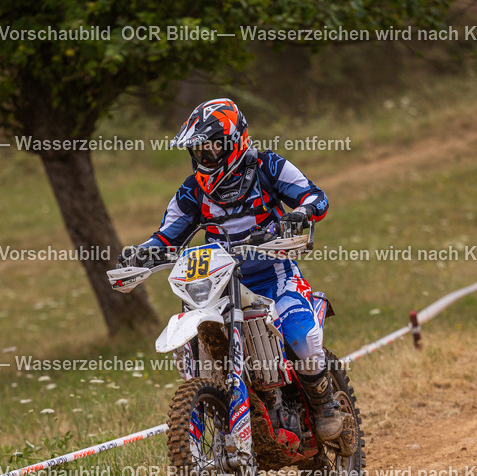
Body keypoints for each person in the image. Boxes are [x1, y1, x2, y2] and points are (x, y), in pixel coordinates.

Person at [119, 98, 342, 440]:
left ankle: (323, 399)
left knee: (302, 335)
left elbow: (316, 197)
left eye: (210, 148)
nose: (203, 156)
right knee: (190, 347)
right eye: (198, 150)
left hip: (273, 276)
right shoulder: (193, 191)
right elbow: (166, 236)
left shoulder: (270, 167)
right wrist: (141, 254)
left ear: (234, 141)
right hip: (218, 284)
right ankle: (210, 419)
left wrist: (299, 214)